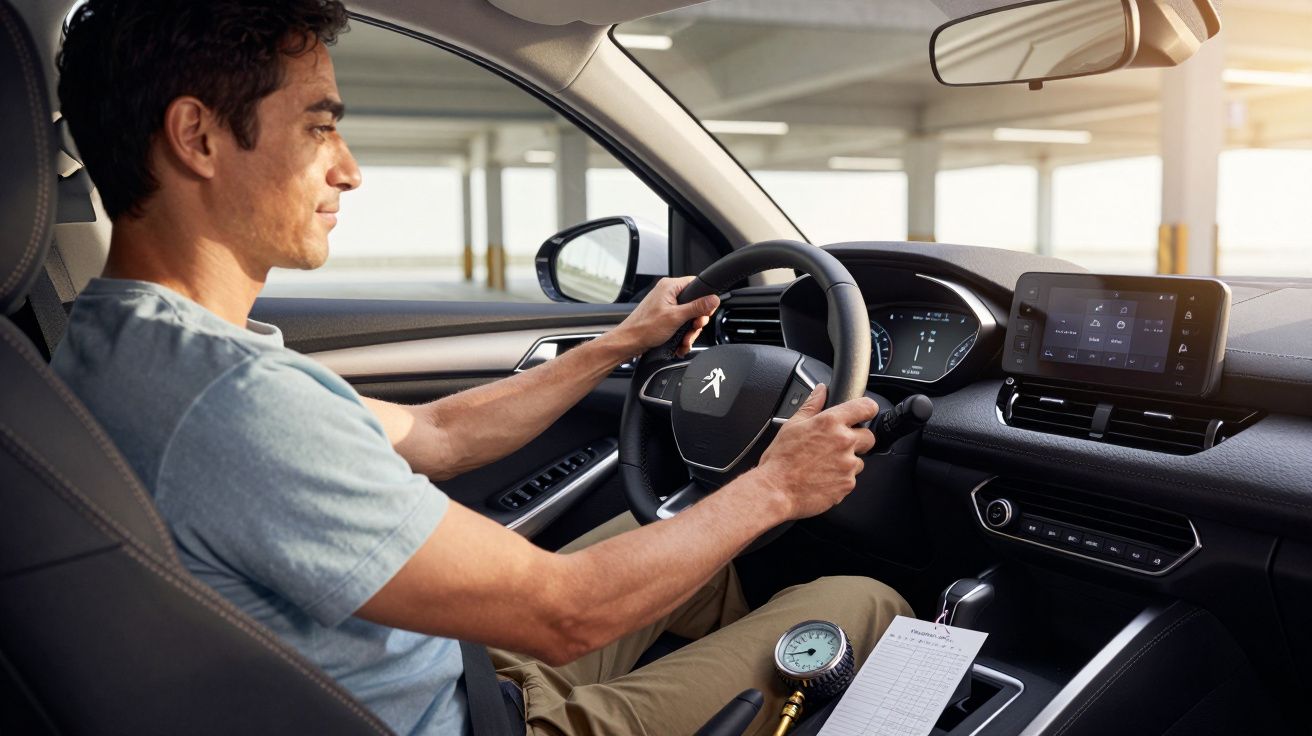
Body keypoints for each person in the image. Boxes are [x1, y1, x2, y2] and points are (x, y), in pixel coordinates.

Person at [52, 1, 911, 734]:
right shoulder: (232, 400)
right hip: (478, 718)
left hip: (436, 674)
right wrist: (775, 488)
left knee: (706, 560)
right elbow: (563, 610)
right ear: (197, 135)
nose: (348, 169)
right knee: (864, 600)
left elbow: (435, 431)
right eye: (319, 126)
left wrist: (616, 344)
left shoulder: (116, 344)